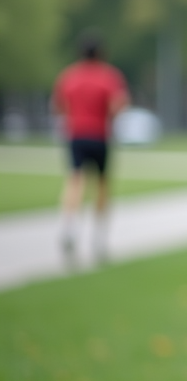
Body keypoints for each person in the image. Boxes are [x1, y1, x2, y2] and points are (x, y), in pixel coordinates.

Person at [52, 31, 130, 266]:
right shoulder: (108, 76)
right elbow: (119, 105)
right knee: (102, 184)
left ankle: (69, 227)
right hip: (99, 135)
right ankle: (99, 236)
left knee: (75, 180)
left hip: (76, 134)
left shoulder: (69, 76)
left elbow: (58, 106)